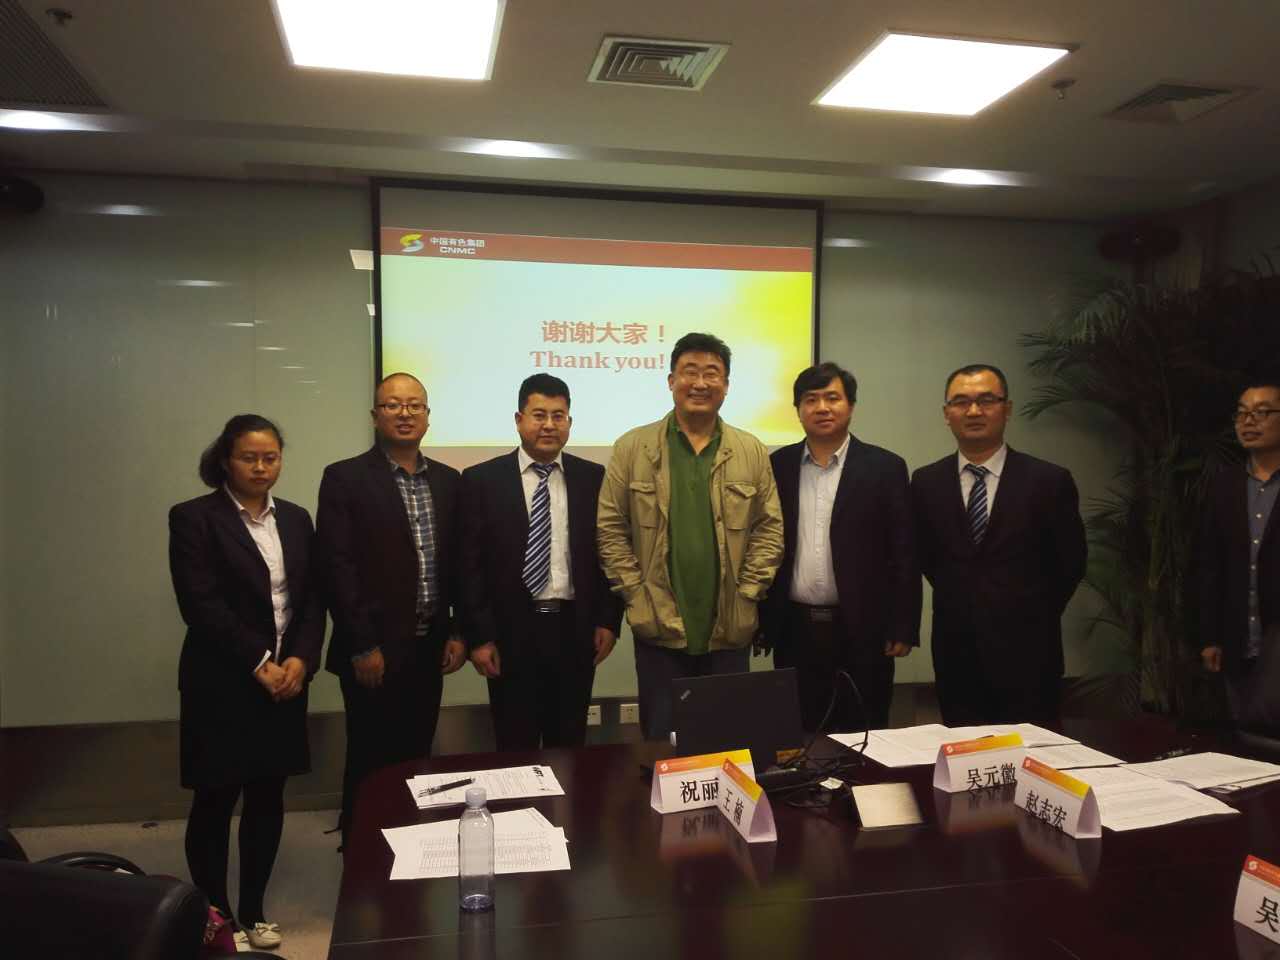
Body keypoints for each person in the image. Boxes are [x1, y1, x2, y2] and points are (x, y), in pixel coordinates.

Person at [168, 414, 324, 951]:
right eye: (249, 458)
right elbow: (200, 604)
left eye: (270, 458)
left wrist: (301, 659)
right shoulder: (194, 518)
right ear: (225, 460)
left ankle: (254, 910)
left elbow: (311, 599)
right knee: (215, 799)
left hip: (285, 683)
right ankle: (217, 916)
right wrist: (260, 662)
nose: (261, 467)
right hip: (222, 683)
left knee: (267, 797)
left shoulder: (297, 519)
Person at [597, 332, 784, 742]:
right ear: (671, 380)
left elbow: (769, 528)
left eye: (711, 373)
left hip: (729, 628)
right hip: (657, 627)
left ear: (726, 385)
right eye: (690, 372)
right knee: (663, 746)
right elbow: (610, 528)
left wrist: (749, 591)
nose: (700, 383)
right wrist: (635, 593)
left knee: (729, 744)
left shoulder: (750, 450)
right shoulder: (632, 447)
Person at [317, 372, 466, 846]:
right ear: (375, 415)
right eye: (393, 405)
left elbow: (456, 564)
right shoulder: (344, 478)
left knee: (417, 755)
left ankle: (412, 848)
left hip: (428, 646)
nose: (405, 414)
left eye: (414, 405)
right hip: (373, 651)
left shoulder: (449, 481)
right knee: (369, 757)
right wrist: (362, 645)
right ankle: (360, 852)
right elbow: (337, 567)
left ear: (428, 416)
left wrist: (457, 631)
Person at [911, 364, 1086, 727]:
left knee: (1032, 753)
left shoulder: (1048, 480)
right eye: (961, 402)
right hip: (956, 651)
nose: (974, 411)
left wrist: (1027, 611)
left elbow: (1070, 563)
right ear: (946, 413)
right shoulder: (926, 482)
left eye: (986, 400)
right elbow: (927, 558)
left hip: (1030, 652)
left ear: (1007, 409)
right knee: (964, 752)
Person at [461, 374, 623, 749]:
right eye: (538, 415)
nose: (549, 425)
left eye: (558, 415)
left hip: (574, 630)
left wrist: (608, 620)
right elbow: (469, 567)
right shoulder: (482, 480)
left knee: (569, 742)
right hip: (510, 633)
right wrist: (479, 636)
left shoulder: (594, 478)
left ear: (570, 422)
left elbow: (608, 554)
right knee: (514, 743)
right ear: (519, 420)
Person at [759, 363, 920, 732]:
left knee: (865, 730)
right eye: (810, 399)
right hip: (794, 628)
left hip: (864, 627)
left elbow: (904, 551)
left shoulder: (885, 467)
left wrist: (903, 624)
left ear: (851, 405)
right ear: (798, 409)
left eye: (832, 398)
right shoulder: (777, 466)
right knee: (797, 731)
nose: (822, 407)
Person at [1199, 379, 1280, 732]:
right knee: (1245, 740)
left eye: (1261, 412)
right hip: (1237, 642)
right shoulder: (1224, 485)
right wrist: (1210, 636)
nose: (1248, 421)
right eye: (1242, 413)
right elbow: (1208, 565)